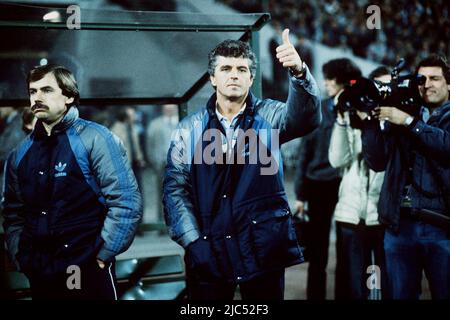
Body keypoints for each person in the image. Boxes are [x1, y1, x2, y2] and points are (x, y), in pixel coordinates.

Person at [163, 30, 321, 300]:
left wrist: (299, 72)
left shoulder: (269, 116)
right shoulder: (189, 129)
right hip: (208, 247)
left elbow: (305, 118)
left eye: (241, 69)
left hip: (262, 249)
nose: (234, 74)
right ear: (213, 78)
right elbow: (176, 191)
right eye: (225, 68)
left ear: (251, 78)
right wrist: (193, 242)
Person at [1, 64, 143, 300]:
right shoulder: (20, 153)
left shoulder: (96, 138)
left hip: (87, 267)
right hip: (41, 271)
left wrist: (102, 256)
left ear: (68, 96)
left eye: (46, 90)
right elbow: (13, 213)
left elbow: (126, 201)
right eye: (33, 91)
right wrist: (22, 257)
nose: (37, 97)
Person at [361, 55, 450, 299]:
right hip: (400, 225)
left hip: (442, 225)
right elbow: (377, 162)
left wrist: (410, 122)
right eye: (421, 79)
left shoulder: (409, 118)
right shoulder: (402, 114)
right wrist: (369, 121)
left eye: (435, 78)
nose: (427, 84)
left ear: (449, 84)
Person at [293, 58, 360, 300]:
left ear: (342, 80)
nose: (326, 82)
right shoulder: (317, 108)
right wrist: (300, 194)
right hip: (318, 187)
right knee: (317, 251)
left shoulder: (356, 108)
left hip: (344, 186)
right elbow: (304, 154)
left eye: (330, 78)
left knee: (346, 250)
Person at [146, 104, 179, 222]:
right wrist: (154, 162)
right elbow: (149, 145)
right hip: (161, 164)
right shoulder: (155, 124)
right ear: (163, 110)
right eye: (167, 109)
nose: (169, 111)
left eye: (172, 108)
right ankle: (162, 221)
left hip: (180, 164)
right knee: (161, 193)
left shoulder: (183, 122)